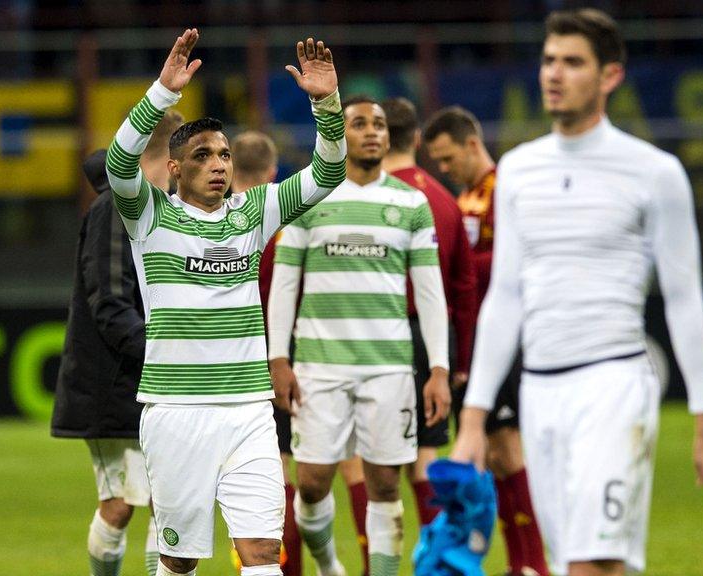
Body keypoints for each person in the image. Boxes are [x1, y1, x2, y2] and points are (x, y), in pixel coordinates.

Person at [451, 9, 703, 576]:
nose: (555, 74)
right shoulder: (519, 171)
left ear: (610, 76)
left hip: (614, 386)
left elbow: (683, 299)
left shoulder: (655, 172)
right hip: (539, 394)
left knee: (591, 564)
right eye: (549, 60)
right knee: (573, 565)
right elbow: (505, 297)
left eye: (573, 62)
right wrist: (474, 420)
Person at [104, 29, 346, 576]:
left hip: (248, 412)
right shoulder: (150, 218)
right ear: (174, 169)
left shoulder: (253, 212)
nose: (219, 163)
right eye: (203, 154)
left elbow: (329, 172)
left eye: (225, 154)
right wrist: (161, 94)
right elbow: (119, 163)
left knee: (262, 553)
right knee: (180, 560)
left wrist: (326, 104)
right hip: (175, 412)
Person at [268, 95, 452, 576]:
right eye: (359, 123)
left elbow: (431, 294)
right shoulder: (308, 198)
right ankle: (329, 564)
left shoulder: (412, 203)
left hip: (389, 367)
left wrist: (438, 369)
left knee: (387, 485)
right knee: (310, 483)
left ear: (390, 137)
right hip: (317, 365)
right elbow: (285, 282)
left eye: (379, 125)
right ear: (339, 135)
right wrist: (278, 359)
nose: (372, 131)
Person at [52, 109, 184, 576]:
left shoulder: (157, 209)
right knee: (121, 505)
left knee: (165, 505)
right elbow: (108, 303)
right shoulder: (113, 208)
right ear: (170, 160)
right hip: (113, 386)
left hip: (152, 381)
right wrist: (169, 350)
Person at [422, 105, 548, 575]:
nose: (445, 168)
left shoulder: (504, 191)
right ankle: (520, 562)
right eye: (438, 161)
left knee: (508, 448)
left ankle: (531, 562)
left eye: (449, 157)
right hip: (477, 339)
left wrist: (457, 271)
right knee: (495, 454)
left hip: (508, 338)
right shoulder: (467, 196)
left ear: (473, 144)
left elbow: (516, 259)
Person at [379, 96, 479, 527]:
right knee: (425, 454)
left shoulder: (361, 198)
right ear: (417, 138)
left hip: (374, 335)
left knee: (368, 462)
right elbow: (463, 287)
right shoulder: (444, 200)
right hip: (429, 339)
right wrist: (459, 359)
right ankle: (437, 559)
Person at [234, 130, 303, 576]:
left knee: (236, 480)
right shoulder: (286, 222)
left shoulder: (211, 217)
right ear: (274, 172)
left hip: (230, 364)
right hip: (287, 357)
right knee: (282, 474)